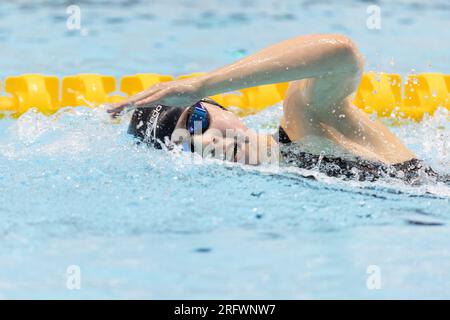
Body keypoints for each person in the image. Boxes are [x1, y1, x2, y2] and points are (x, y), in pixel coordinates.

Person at [108, 34, 439, 183]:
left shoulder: (305, 118)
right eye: (184, 143)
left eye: (197, 120)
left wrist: (201, 86)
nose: (205, 141)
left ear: (224, 109)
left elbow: (340, 54)